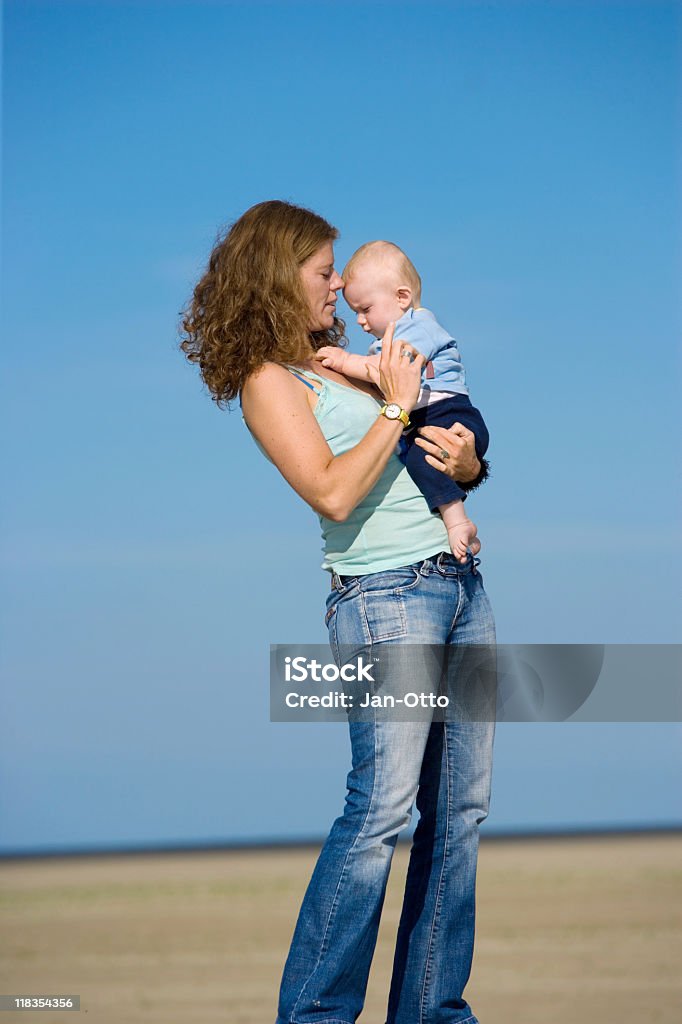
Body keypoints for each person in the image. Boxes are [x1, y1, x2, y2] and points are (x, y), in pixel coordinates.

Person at [180, 199, 496, 1024]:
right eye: (326, 274)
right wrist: (394, 406)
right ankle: (315, 1014)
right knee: (383, 806)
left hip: (459, 584)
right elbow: (332, 487)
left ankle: (432, 1013)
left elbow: (434, 460)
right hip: (384, 598)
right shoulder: (270, 381)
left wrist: (465, 464)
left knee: (459, 811)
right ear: (281, 276)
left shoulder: (343, 359)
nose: (338, 291)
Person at [315, 240, 489, 563]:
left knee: (422, 460)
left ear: (402, 298)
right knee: (417, 458)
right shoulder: (391, 339)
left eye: (365, 310)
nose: (360, 322)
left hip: (448, 412)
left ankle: (458, 522)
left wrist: (341, 360)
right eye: (355, 313)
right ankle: (457, 523)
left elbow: (388, 371)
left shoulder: (418, 326)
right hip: (436, 418)